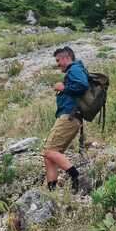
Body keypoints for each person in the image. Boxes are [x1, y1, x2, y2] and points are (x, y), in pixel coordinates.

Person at [43, 47, 89, 193]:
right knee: (50, 156)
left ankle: (76, 177)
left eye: (58, 60)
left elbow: (82, 85)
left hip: (69, 116)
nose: (58, 64)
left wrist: (63, 88)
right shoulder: (74, 70)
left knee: (50, 151)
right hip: (69, 116)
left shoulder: (74, 68)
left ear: (66, 58)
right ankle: (52, 191)